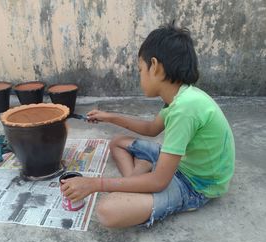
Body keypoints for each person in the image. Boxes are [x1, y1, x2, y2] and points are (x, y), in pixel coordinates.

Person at [60, 21, 235, 228]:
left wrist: (94, 184)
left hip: (195, 184)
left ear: (156, 67)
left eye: (140, 69)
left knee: (108, 211)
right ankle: (138, 176)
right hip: (180, 163)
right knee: (117, 142)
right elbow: (151, 129)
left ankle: (139, 176)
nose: (140, 76)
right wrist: (109, 116)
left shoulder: (185, 108)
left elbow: (160, 182)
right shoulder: (182, 97)